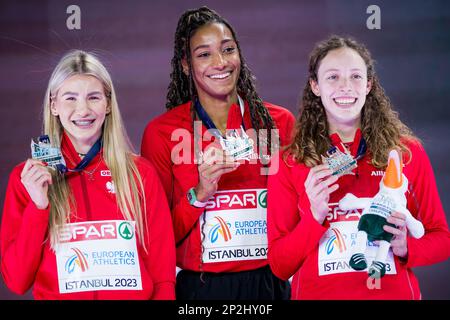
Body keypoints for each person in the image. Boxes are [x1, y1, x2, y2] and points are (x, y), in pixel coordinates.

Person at [267, 35, 450, 299]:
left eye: (355, 76)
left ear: (368, 85)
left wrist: (406, 247)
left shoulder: (405, 153)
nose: (345, 87)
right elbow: (280, 266)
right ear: (315, 86)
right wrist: (314, 217)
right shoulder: (290, 162)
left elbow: (442, 239)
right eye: (332, 77)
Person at [141, 7, 295, 300]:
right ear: (186, 65)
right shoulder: (161, 133)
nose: (220, 62)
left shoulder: (279, 122)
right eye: (204, 54)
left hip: (269, 284)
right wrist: (199, 195)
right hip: (202, 289)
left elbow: (295, 215)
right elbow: (157, 238)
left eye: (228, 49)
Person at [0, 50, 176, 299]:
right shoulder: (28, 178)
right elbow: (17, 281)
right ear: (54, 105)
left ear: (107, 105)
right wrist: (39, 207)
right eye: (70, 98)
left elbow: (163, 276)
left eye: (93, 97)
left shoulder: (141, 174)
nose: (83, 110)